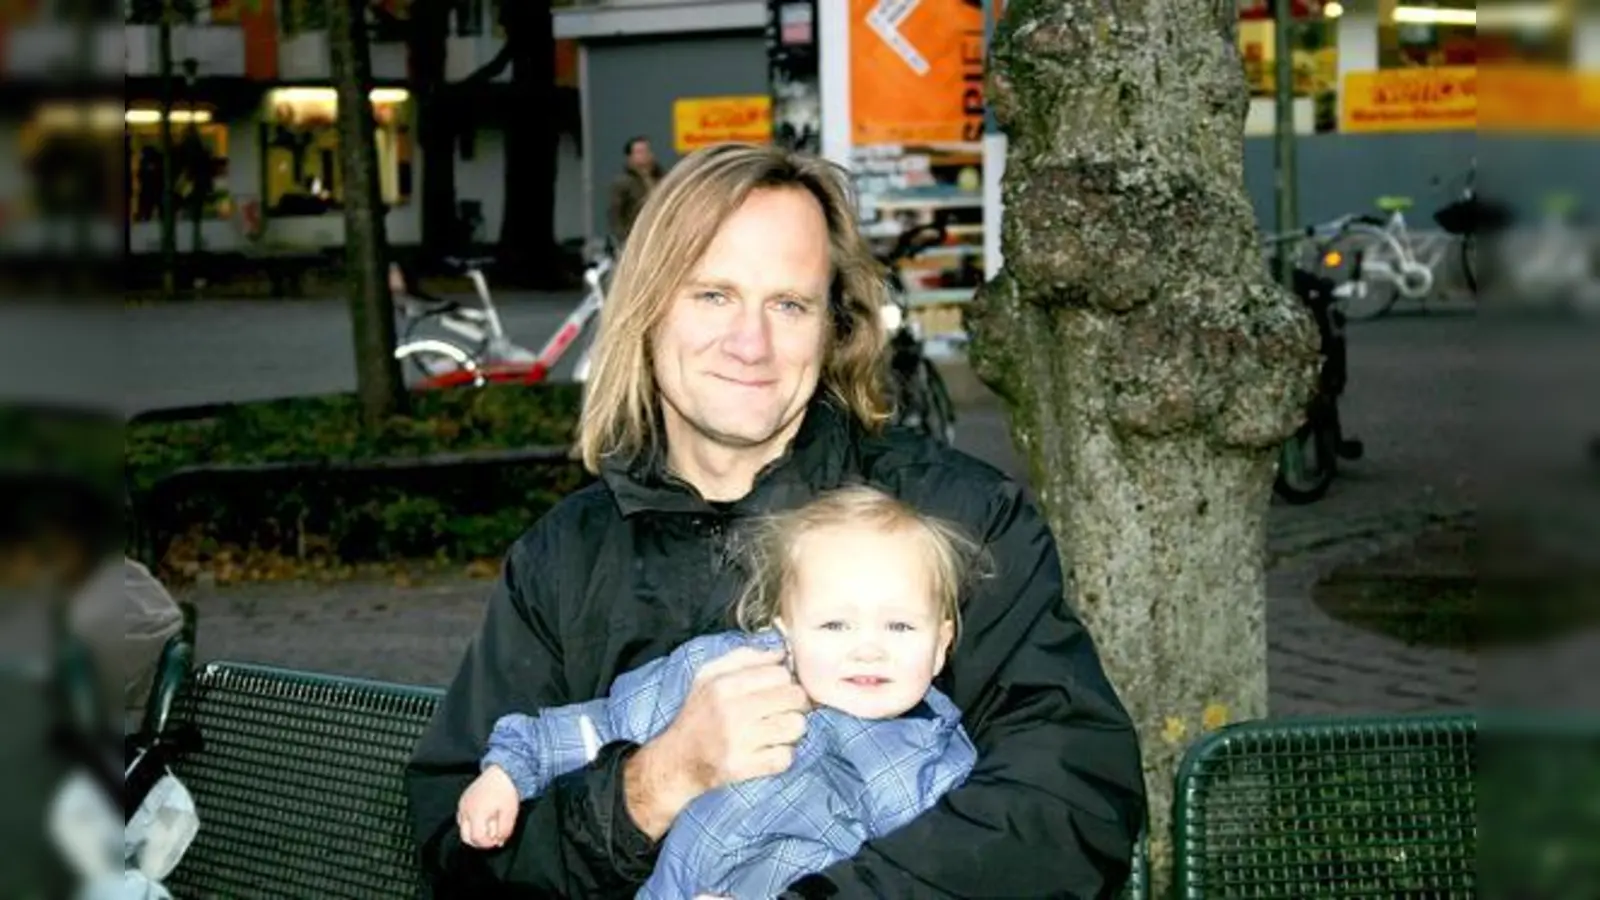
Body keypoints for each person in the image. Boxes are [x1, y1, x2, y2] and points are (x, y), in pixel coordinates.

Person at [405, 142, 1146, 898]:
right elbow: (457, 843)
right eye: (713, 295)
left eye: (788, 304)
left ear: (833, 328)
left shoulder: (958, 521)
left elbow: (1071, 795)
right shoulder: (566, 557)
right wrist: (652, 785)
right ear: (647, 312)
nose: (751, 344)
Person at [456, 486, 980, 898]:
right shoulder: (725, 675)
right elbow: (602, 724)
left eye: (900, 628)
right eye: (836, 625)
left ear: (941, 645)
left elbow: (923, 879)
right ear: (787, 633)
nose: (869, 650)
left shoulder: (931, 769)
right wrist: (509, 769)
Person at [607, 136, 663, 245]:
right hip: (635, 237)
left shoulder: (661, 179)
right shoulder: (623, 183)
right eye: (639, 152)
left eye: (647, 150)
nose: (645, 155)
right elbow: (615, 214)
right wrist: (623, 238)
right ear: (630, 157)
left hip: (659, 235)